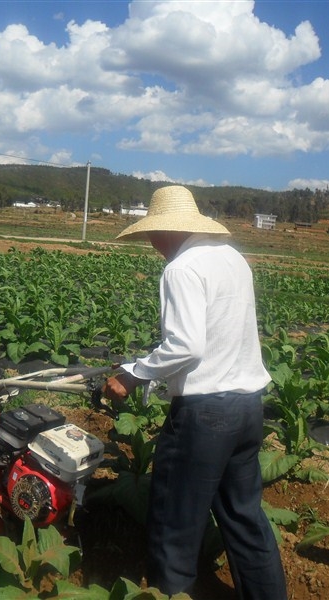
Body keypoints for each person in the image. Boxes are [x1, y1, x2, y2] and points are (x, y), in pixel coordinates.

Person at [102, 185, 288, 600]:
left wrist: (133, 374)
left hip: (205, 418)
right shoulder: (233, 259)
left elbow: (187, 346)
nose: (151, 245)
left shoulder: (181, 268)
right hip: (247, 408)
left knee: (175, 528)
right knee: (245, 519)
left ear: (162, 231)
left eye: (150, 236)